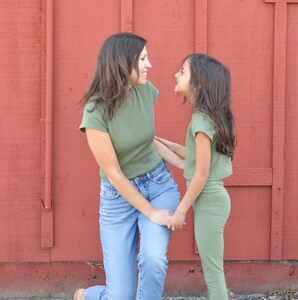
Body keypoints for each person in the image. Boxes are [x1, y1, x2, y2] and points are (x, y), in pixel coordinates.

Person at [75, 32, 180, 300]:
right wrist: (151, 212)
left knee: (153, 259)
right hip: (117, 199)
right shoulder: (95, 112)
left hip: (157, 186)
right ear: (123, 64)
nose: (149, 65)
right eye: (143, 59)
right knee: (120, 296)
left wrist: (186, 163)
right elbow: (113, 172)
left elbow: (148, 140)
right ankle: (86, 296)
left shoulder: (146, 91)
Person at [154, 53, 236, 300]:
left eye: (182, 71)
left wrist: (181, 210)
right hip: (212, 199)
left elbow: (201, 174)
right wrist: (158, 140)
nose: (175, 75)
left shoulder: (200, 121)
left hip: (209, 199)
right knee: (213, 269)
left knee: (213, 272)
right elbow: (191, 156)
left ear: (199, 84)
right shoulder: (206, 118)